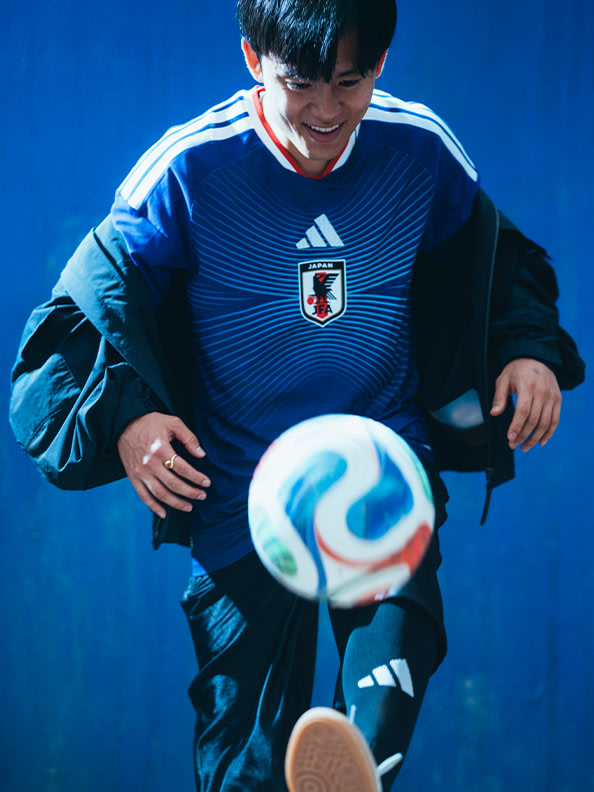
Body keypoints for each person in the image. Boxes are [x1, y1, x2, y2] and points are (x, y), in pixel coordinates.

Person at [9, 0, 585, 790]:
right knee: (243, 760)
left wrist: (527, 351)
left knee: (386, 693)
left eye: (349, 82)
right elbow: (79, 320)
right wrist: (128, 418)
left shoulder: (421, 149)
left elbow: (498, 262)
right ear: (254, 59)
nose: (325, 110)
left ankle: (356, 770)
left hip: (379, 461)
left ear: (380, 63)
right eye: (301, 83)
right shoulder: (185, 171)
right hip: (240, 489)